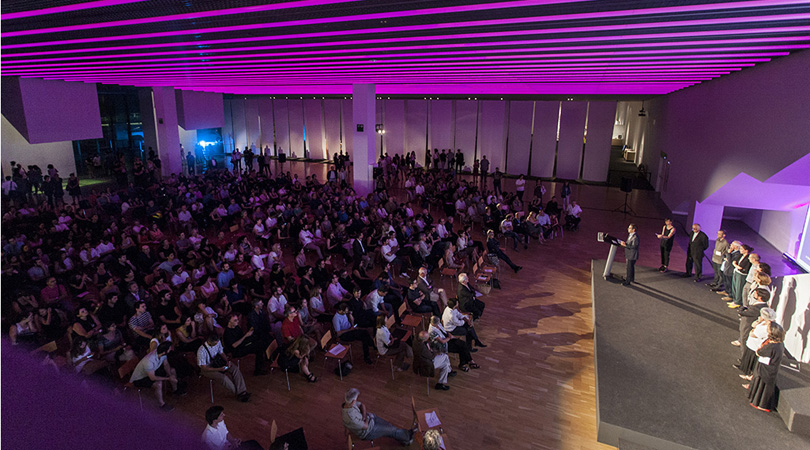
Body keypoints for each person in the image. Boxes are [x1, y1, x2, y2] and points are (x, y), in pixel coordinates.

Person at [342, 388, 414, 445]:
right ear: (353, 401)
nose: (357, 400)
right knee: (391, 429)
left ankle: (405, 437)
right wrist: (367, 417)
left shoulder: (347, 404)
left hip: (370, 419)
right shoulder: (351, 418)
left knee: (390, 427)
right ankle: (408, 436)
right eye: (356, 399)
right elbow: (366, 426)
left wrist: (364, 416)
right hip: (368, 432)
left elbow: (362, 405)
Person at [198, 334, 251, 402]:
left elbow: (221, 352)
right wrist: (219, 369)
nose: (217, 344)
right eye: (215, 343)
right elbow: (204, 368)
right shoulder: (201, 350)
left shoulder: (218, 342)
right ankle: (239, 394)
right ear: (209, 341)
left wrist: (227, 361)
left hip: (218, 363)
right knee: (223, 378)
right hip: (208, 368)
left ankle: (242, 392)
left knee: (235, 369)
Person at [130, 341, 181, 411]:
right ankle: (162, 404)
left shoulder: (162, 353)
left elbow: (166, 364)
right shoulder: (149, 361)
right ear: (164, 351)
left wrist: (170, 375)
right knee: (158, 384)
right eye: (170, 348)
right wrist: (169, 378)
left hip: (151, 372)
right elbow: (152, 378)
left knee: (172, 370)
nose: (171, 349)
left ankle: (175, 390)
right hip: (139, 379)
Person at [745, 322, 785, 412]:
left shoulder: (772, 346)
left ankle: (761, 404)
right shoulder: (780, 344)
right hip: (770, 369)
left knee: (762, 386)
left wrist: (759, 350)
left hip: (765, 370)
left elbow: (760, 352)